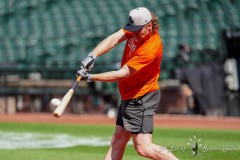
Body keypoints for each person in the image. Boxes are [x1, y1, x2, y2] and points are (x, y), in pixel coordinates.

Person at [76, 7, 179, 160]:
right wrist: (93, 55)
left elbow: (123, 74)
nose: (134, 34)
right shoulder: (135, 28)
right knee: (118, 140)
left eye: (138, 31)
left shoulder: (150, 48)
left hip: (141, 97)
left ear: (149, 26)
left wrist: (91, 77)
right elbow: (114, 39)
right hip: (129, 95)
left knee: (144, 148)